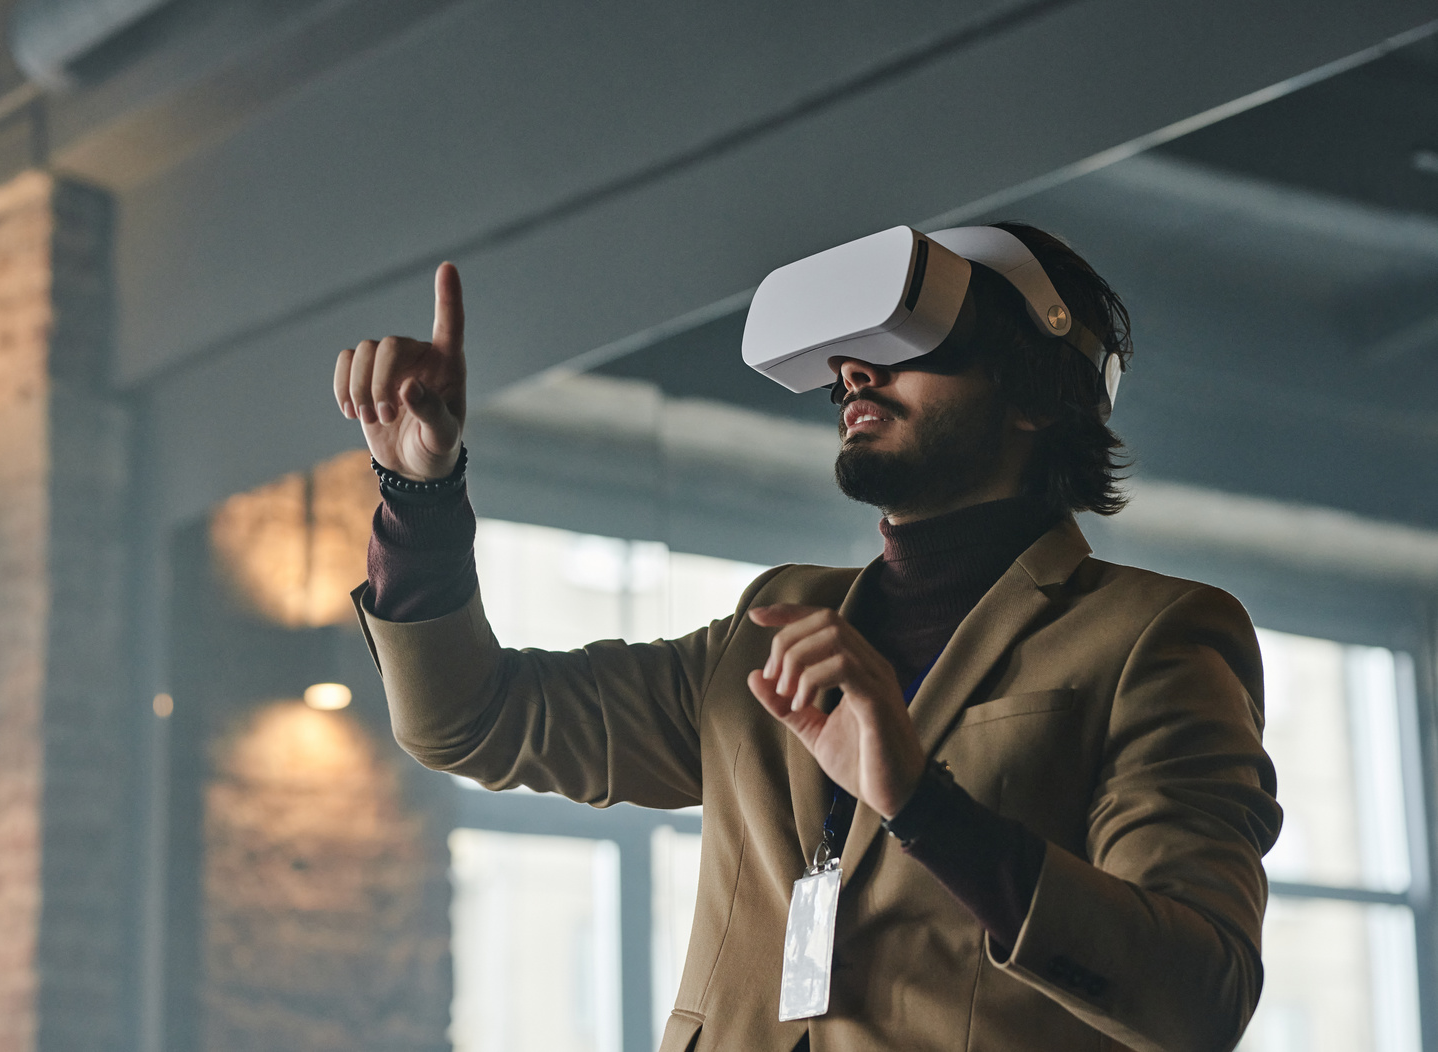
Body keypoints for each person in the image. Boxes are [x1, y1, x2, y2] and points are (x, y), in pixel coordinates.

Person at [334, 223, 1281, 1052]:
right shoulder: (772, 627)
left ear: (1033, 393)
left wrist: (919, 801)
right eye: (849, 353)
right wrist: (420, 494)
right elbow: (468, 721)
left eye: (915, 340)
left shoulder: (1154, 636)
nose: (855, 373)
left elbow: (1201, 1000)